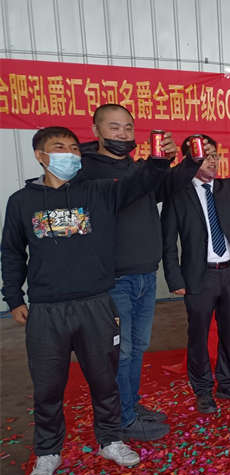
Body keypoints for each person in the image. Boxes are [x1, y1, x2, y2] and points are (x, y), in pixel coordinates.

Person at [0, 126, 182, 475]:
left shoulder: (97, 193)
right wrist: (14, 298)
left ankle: (110, 440)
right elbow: (12, 252)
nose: (69, 154)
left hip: (96, 303)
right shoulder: (22, 201)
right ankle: (48, 451)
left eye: (73, 148)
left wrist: (159, 159)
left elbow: (139, 184)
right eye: (59, 147)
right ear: (40, 155)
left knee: (104, 380)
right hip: (47, 309)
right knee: (48, 387)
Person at [80, 103, 204, 441]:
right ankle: (121, 418)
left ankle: (130, 406)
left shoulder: (135, 167)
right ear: (95, 131)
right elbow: (130, 190)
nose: (122, 134)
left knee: (137, 347)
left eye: (128, 128)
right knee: (121, 352)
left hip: (145, 275)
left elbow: (161, 187)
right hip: (113, 278)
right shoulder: (88, 170)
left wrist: (190, 161)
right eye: (114, 127)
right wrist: (156, 164)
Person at [162, 136, 230, 413]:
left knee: (229, 332)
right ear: (189, 160)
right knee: (198, 336)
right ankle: (202, 390)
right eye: (204, 156)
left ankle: (228, 383)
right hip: (199, 276)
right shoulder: (178, 194)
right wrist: (174, 279)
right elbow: (168, 241)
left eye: (214, 155)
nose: (211, 160)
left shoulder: (226, 188)